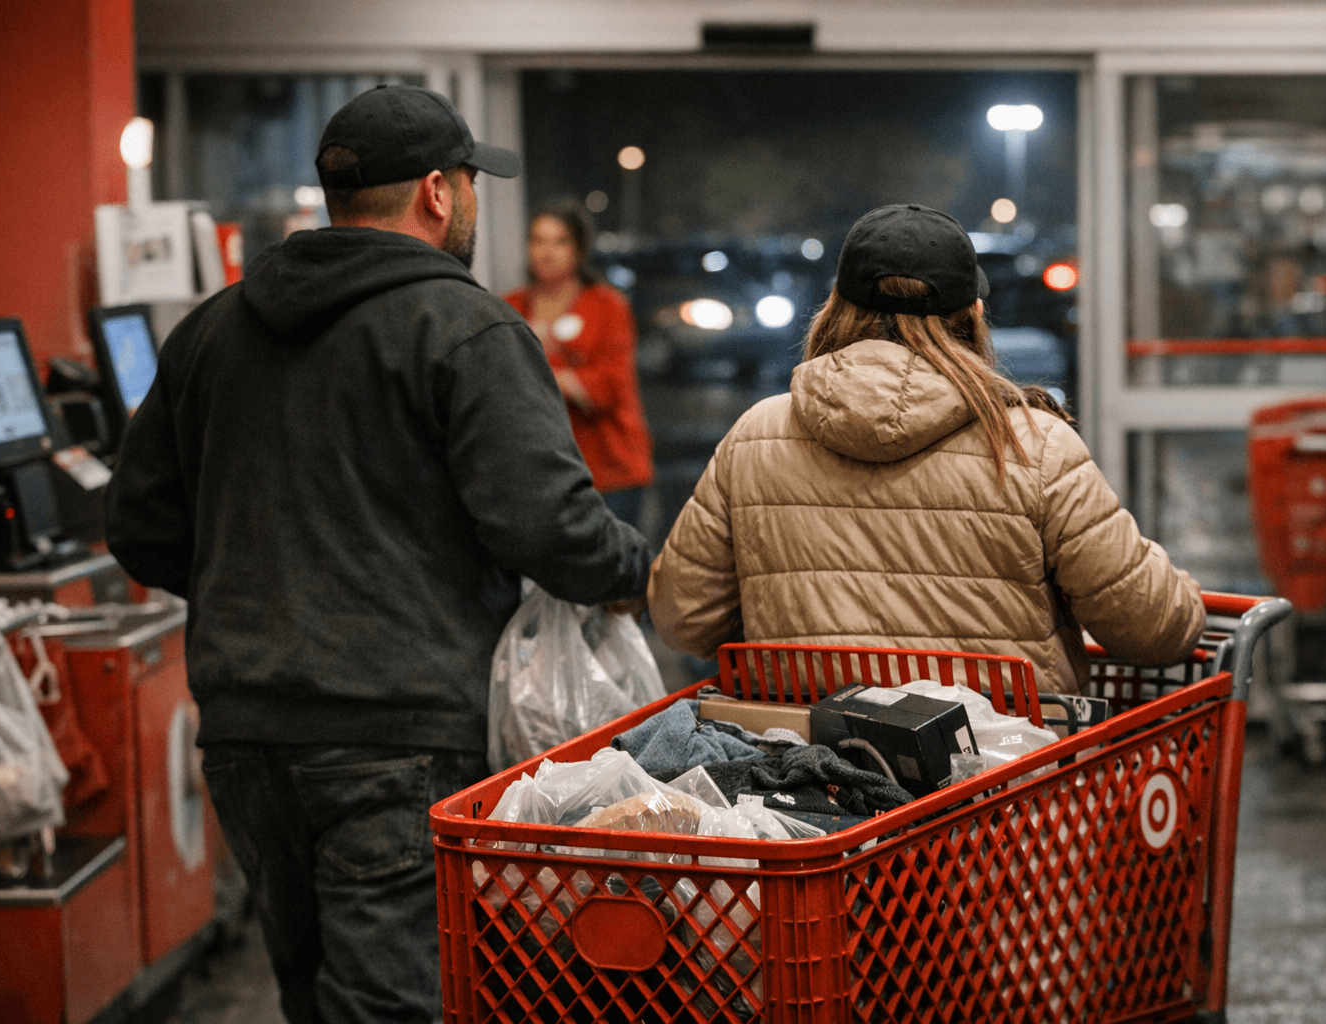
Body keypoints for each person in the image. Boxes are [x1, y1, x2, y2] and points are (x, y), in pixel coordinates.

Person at [104, 85, 650, 1024]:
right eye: (469, 182)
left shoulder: (212, 330)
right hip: (400, 734)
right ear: (438, 192)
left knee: (309, 995)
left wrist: (253, 581)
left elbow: (140, 526)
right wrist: (637, 570)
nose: (472, 201)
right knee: (392, 1005)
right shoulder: (467, 328)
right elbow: (547, 526)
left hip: (245, 729)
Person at [647, 204, 1203, 693]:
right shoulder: (1031, 447)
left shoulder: (755, 437)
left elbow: (684, 618)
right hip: (1006, 771)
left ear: (836, 306)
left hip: (804, 764)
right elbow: (1153, 630)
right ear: (973, 315)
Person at [504, 198, 653, 528]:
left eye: (560, 241)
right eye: (538, 240)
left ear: (579, 249)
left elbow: (610, 387)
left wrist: (541, 369)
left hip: (610, 469)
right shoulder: (509, 307)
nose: (547, 252)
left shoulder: (607, 305)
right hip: (540, 473)